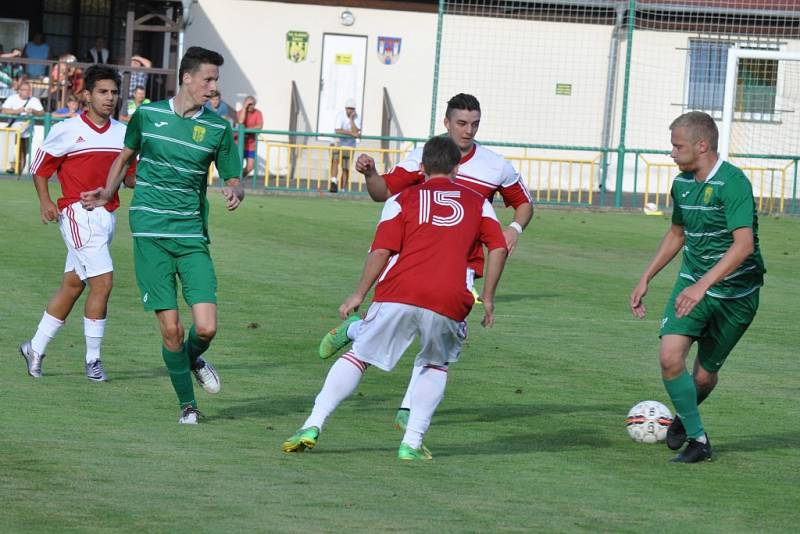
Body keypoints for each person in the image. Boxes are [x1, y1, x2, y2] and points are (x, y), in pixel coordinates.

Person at [282, 136, 508, 460]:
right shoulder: (479, 203)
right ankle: (411, 444)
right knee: (435, 362)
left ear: (422, 167)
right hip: (449, 297)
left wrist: (358, 293)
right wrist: (488, 297)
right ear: (458, 168)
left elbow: (382, 250)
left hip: (400, 289)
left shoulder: (403, 199)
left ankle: (312, 423)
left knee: (360, 357)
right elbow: (498, 247)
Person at [318, 93, 533, 431]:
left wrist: (514, 228)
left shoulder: (495, 165)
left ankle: (407, 409)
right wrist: (370, 173)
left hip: (462, 269)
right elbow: (383, 191)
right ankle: (356, 330)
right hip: (409, 262)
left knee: (436, 340)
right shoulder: (422, 160)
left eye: (475, 124)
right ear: (446, 123)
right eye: (461, 123)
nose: (468, 131)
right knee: (392, 334)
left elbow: (523, 203)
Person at [81, 46, 244, 424]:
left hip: (191, 238)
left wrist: (235, 189)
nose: (213, 87)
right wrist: (107, 193)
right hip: (150, 236)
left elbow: (233, 175)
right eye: (208, 79)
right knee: (171, 329)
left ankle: (192, 357)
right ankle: (188, 406)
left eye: (216, 80)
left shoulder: (218, 127)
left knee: (206, 327)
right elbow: (124, 159)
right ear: (187, 78)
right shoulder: (148, 115)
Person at [630, 111, 765, 463]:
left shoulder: (733, 183)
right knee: (669, 357)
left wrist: (703, 286)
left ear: (701, 145)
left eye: (677, 146)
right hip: (693, 283)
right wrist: (647, 276)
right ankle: (699, 439)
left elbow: (743, 245)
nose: (671, 153)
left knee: (703, 377)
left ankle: (683, 418)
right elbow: (677, 233)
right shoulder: (682, 183)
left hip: (737, 295)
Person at [19, 65, 134, 381]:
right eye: (102, 92)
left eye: (113, 92)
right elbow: (41, 169)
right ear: (86, 95)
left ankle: (35, 348)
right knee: (104, 282)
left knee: (72, 286)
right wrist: (45, 201)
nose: (110, 98)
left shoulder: (124, 133)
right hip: (76, 214)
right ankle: (93, 360)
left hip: (106, 217)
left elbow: (132, 177)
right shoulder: (67, 129)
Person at [1, 80, 45, 173]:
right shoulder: (12, 98)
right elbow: (4, 110)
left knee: (23, 153)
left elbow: (41, 113)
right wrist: (17, 111)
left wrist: (33, 111)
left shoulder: (34, 100)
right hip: (13, 130)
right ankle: (12, 168)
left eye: (29, 90)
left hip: (27, 132)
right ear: (19, 91)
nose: (27, 92)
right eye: (25, 90)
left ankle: (18, 173)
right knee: (11, 150)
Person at [328, 98, 361, 192]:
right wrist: (351, 134)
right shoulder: (340, 115)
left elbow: (356, 132)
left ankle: (343, 188)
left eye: (352, 109)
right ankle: (333, 182)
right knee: (335, 160)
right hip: (338, 141)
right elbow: (337, 130)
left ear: (354, 110)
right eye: (348, 108)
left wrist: (351, 119)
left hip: (349, 145)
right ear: (345, 108)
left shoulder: (357, 117)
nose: (350, 110)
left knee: (346, 167)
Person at [236, 95, 262, 176]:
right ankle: (235, 182)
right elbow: (240, 121)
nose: (251, 106)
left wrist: (247, 129)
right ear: (245, 104)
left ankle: (237, 180)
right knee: (237, 166)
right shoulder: (240, 112)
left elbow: (259, 126)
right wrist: (244, 108)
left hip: (251, 144)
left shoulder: (258, 113)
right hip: (239, 144)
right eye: (249, 104)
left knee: (250, 167)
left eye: (253, 104)